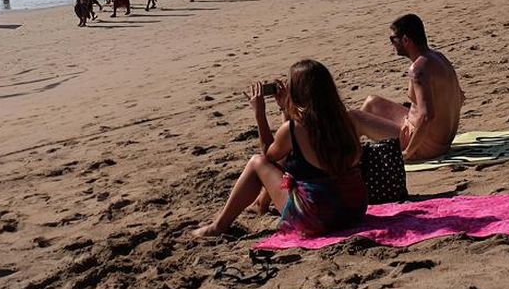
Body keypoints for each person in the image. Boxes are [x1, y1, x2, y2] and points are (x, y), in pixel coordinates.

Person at [191, 60, 367, 238]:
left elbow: (270, 155)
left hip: (318, 218)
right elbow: (290, 153)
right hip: (353, 211)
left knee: (256, 162)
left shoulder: (296, 128)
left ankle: (218, 227)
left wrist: (260, 114)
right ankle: (261, 203)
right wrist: (284, 109)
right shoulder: (348, 119)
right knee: (292, 164)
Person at [348, 14, 465, 162]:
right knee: (372, 102)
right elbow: (460, 97)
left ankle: (341, 159)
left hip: (425, 146)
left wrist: (408, 152)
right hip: (441, 140)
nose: (391, 43)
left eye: (393, 39)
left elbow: (427, 116)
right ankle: (348, 150)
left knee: (353, 117)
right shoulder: (438, 57)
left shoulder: (418, 70)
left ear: (405, 40)